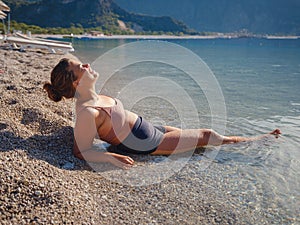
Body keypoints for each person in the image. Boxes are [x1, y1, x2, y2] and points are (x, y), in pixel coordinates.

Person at [44, 58, 281, 169]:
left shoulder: (92, 98)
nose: (86, 65)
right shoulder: (87, 111)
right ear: (76, 83)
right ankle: (255, 142)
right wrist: (107, 157)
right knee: (206, 135)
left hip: (147, 129)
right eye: (80, 67)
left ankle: (216, 154)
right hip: (144, 143)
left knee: (194, 144)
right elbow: (80, 150)